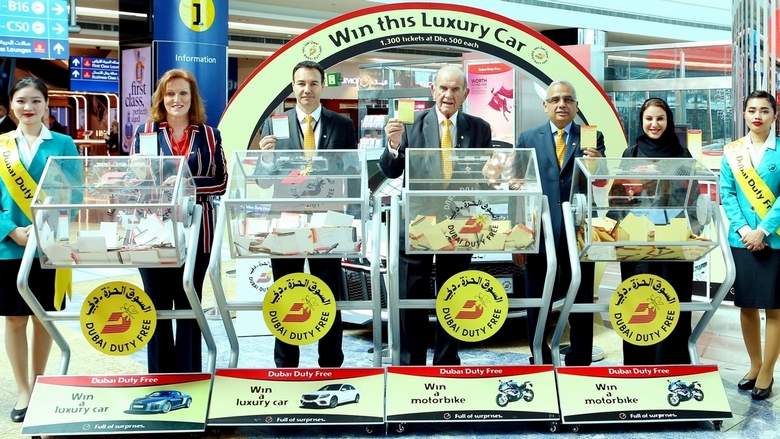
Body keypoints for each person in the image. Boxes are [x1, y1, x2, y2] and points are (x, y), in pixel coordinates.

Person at [380, 65, 492, 365]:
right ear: (433, 90)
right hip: (418, 223)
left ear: (466, 93)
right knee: (411, 295)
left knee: (455, 294)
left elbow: (482, 178)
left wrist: (499, 178)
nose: (448, 95)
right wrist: (393, 145)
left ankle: (447, 360)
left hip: (460, 223)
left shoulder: (480, 128)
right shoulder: (410, 125)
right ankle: (411, 363)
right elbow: (391, 170)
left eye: (455, 89)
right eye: (443, 88)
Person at [256, 60, 356, 368]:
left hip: (327, 220)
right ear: (293, 87)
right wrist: (266, 158)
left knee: (329, 293)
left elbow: (351, 172)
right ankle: (286, 365)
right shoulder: (275, 124)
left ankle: (331, 363)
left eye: (313, 83)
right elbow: (263, 180)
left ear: (322, 86)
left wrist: (352, 215)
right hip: (286, 220)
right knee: (287, 293)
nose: (307, 89)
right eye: (301, 83)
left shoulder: (342, 125)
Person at [133, 69, 228, 373]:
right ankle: (160, 378)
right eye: (170, 93)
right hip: (153, 234)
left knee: (189, 303)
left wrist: (184, 185)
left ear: (192, 98)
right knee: (156, 306)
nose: (177, 99)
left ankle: (189, 377)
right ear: (161, 98)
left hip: (198, 233)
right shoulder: (145, 133)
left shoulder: (209, 135)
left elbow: (221, 181)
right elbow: (134, 184)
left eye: (183, 93)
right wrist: (145, 179)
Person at [0, 78, 79, 422]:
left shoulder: (63, 143)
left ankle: (39, 383)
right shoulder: (1, 145)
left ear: (47, 104)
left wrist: (47, 227)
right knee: (14, 318)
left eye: (35, 100)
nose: (28, 107)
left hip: (48, 244)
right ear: (11, 105)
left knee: (42, 316)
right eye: (21, 101)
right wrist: (10, 229)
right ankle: (22, 390)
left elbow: (75, 193)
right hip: (9, 246)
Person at [516, 80, 604, 365]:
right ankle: (539, 357)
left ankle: (580, 359)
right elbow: (518, 189)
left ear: (576, 106)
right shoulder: (528, 138)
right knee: (536, 297)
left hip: (579, 232)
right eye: (555, 100)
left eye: (568, 99)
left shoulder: (591, 137)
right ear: (545, 106)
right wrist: (519, 238)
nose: (562, 104)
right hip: (539, 232)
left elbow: (601, 182)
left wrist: (598, 164)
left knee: (581, 296)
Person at [616, 97, 694, 365]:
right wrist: (632, 190)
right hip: (637, 244)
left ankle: (672, 367)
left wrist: (660, 180)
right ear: (641, 121)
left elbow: (690, 196)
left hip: (673, 243)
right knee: (638, 300)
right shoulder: (631, 153)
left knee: (672, 301)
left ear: (668, 121)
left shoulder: (682, 155)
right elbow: (617, 196)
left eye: (660, 118)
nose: (654, 124)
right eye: (649, 118)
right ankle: (638, 366)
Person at [720, 90, 780, 400]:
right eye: (752, 110)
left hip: (775, 240)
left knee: (774, 307)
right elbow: (727, 193)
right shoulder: (733, 152)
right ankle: (754, 365)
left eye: (764, 110)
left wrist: (763, 231)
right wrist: (746, 230)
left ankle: (768, 371)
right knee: (747, 305)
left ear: (774, 115)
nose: (757, 115)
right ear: (744, 114)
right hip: (741, 240)